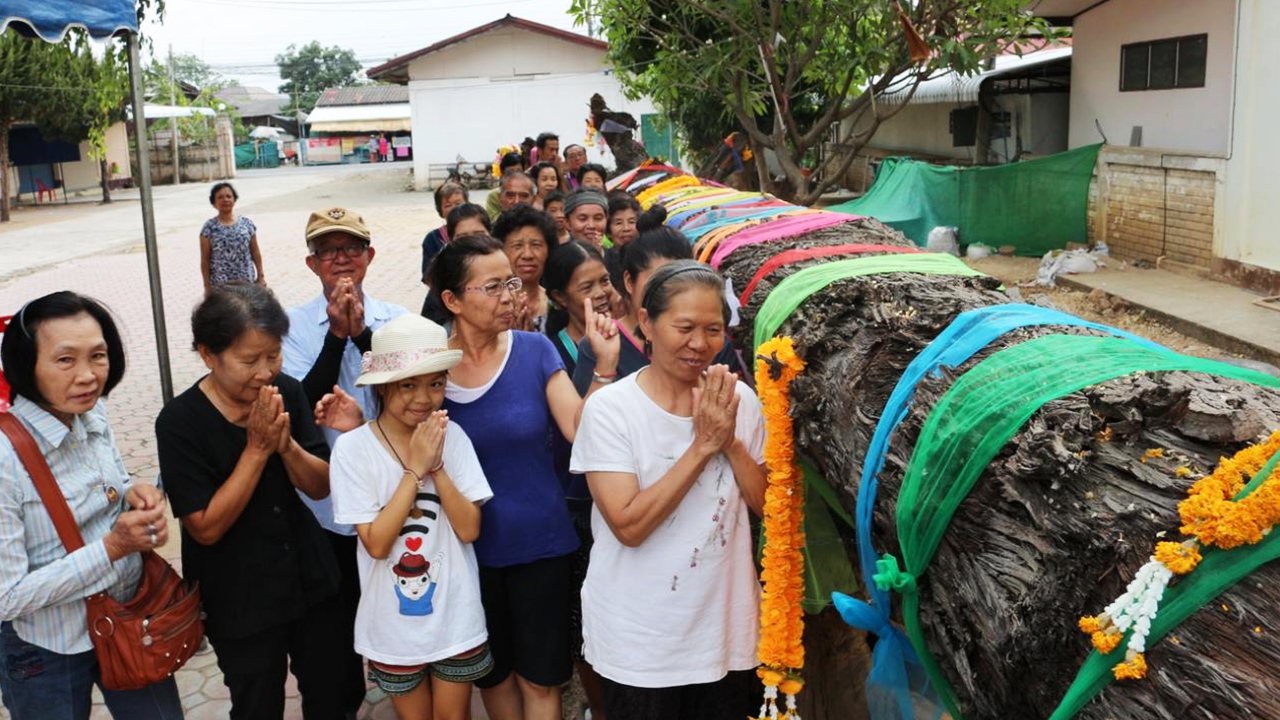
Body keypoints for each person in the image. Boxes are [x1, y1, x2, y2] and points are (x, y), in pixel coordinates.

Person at [424, 234, 618, 720]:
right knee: (493, 677)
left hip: (540, 544)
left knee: (540, 678)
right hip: (465, 550)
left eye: (511, 282)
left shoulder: (534, 351)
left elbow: (578, 428)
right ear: (452, 300)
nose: (510, 296)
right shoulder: (429, 370)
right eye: (492, 287)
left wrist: (604, 367)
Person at [570, 261, 766, 720]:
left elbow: (769, 507)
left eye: (713, 329)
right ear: (646, 324)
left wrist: (731, 441)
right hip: (641, 641)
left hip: (726, 631)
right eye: (684, 327)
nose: (700, 344)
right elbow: (628, 525)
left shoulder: (741, 403)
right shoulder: (611, 410)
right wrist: (702, 446)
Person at [156, 284, 347, 719]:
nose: (265, 372)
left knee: (329, 693)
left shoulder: (287, 392)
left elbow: (321, 485)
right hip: (238, 595)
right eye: (249, 360)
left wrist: (287, 447)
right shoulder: (179, 422)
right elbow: (204, 527)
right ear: (208, 354)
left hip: (308, 576)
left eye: (273, 356)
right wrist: (257, 450)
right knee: (257, 702)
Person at [0, 292, 184, 720]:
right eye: (65, 360)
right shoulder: (6, 457)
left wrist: (133, 493)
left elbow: (111, 484)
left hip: (129, 619)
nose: (87, 376)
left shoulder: (92, 414)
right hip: (45, 649)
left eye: (98, 356)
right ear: (26, 364)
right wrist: (113, 547)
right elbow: (6, 598)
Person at [325, 314, 494, 720]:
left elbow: (470, 528)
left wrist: (436, 466)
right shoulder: (352, 451)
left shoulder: (452, 439)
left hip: (456, 617)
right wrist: (414, 471)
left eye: (435, 383)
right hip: (391, 628)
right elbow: (378, 543)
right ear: (383, 387)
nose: (424, 398)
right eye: (408, 384)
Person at [280, 207, 409, 717]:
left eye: (350, 249)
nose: (341, 260)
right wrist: (336, 337)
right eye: (328, 251)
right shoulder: (289, 326)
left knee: (402, 638)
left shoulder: (396, 320)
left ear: (370, 256)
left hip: (392, 503)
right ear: (312, 264)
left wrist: (360, 335)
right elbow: (299, 407)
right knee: (328, 660)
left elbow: (410, 392)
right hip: (323, 512)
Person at [539, 242, 615, 720]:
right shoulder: (557, 352)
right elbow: (571, 435)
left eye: (604, 280)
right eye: (586, 287)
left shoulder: (635, 333)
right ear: (559, 297)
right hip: (582, 502)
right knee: (590, 622)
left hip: (637, 492)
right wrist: (594, 356)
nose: (601, 293)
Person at [572, 209, 749, 395]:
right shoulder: (602, 343)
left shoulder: (711, 341)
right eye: (657, 282)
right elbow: (583, 421)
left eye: (681, 285)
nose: (697, 344)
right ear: (629, 282)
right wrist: (605, 367)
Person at [493, 205, 559, 334]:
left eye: (536, 245)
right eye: (517, 246)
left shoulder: (558, 304)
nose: (527, 255)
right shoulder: (490, 305)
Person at [201, 182, 265, 292]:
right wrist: (207, 287)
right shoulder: (209, 228)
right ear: (214, 203)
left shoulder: (246, 224)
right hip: (221, 285)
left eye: (228, 196)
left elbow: (255, 252)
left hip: (246, 282)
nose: (225, 200)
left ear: (234, 200)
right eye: (220, 197)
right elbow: (205, 260)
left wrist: (261, 276)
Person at [422, 182, 468, 280]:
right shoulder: (433, 238)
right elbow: (428, 276)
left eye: (458, 203)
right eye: (448, 205)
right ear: (440, 211)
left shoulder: (477, 233)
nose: (454, 208)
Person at [486, 156, 528, 220]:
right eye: (510, 172)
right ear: (503, 174)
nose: (515, 175)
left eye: (518, 171)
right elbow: (494, 220)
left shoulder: (530, 192)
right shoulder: (494, 195)